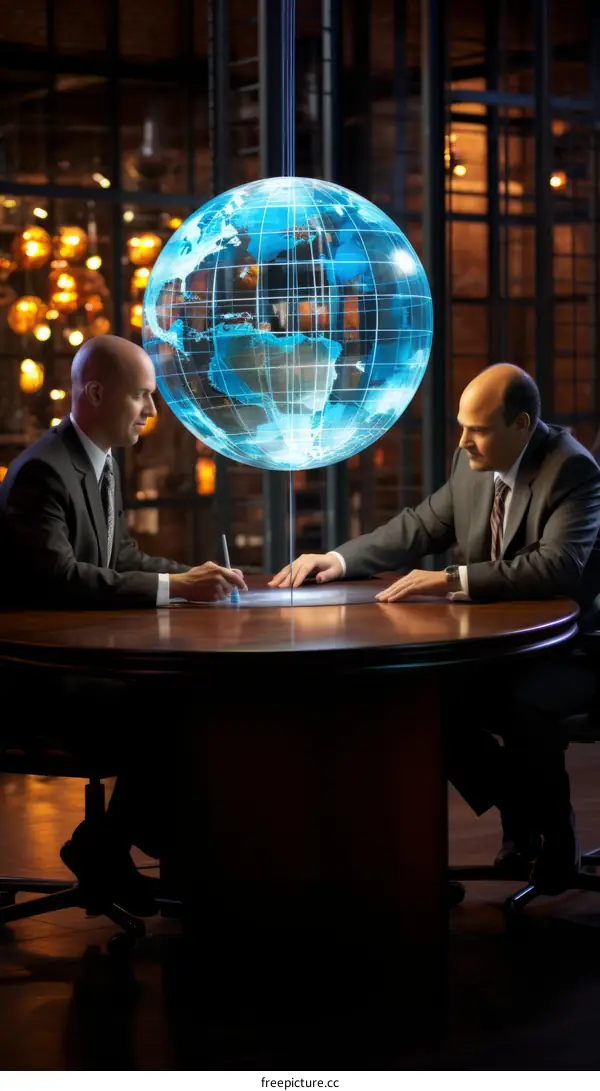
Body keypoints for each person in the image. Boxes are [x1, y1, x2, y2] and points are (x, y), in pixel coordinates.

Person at [270, 364, 600, 893]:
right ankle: (525, 815)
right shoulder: (472, 461)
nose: (464, 440)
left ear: (521, 424)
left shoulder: (570, 470)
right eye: (461, 426)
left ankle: (554, 836)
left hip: (564, 650)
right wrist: (337, 558)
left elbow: (556, 567)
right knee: (420, 698)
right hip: (495, 648)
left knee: (524, 707)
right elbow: (421, 525)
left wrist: (451, 579)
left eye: (479, 429)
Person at [0, 334, 248, 914]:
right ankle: (120, 848)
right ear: (95, 393)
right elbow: (59, 579)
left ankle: (139, 848)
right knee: (171, 707)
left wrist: (193, 577)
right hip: (32, 682)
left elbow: (121, 558)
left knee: (184, 695)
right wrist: (174, 589)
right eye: (142, 397)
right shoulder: (43, 472)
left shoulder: (99, 462)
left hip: (74, 665)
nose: (153, 412)